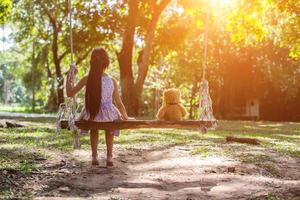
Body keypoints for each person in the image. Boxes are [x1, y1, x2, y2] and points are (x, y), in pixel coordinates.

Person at [66, 48, 129, 167]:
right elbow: (119, 104)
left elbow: (69, 93)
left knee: (94, 127)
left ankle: (94, 156)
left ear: (92, 63)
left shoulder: (87, 79)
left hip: (92, 115)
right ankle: (109, 157)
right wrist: (126, 117)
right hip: (108, 116)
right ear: (106, 63)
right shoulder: (112, 81)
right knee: (110, 128)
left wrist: (69, 77)